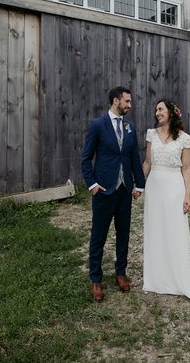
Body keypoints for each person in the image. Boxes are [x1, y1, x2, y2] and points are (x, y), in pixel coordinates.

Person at [81, 86, 145, 302]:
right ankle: (96, 279)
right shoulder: (98, 125)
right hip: (104, 191)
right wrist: (92, 184)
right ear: (116, 101)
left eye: (130, 102)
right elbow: (86, 158)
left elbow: (134, 158)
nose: (129, 105)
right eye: (127, 101)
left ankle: (120, 272)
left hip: (125, 191)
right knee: (98, 236)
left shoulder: (130, 127)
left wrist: (139, 185)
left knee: (123, 234)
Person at [141, 99, 190, 301]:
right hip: (155, 186)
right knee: (156, 229)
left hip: (175, 187)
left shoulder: (185, 139)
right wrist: (138, 184)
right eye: (156, 109)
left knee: (175, 230)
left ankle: (179, 279)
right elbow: (147, 162)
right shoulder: (151, 134)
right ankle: (157, 278)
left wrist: (187, 195)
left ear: (172, 113)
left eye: (161, 109)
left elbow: (185, 168)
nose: (157, 112)